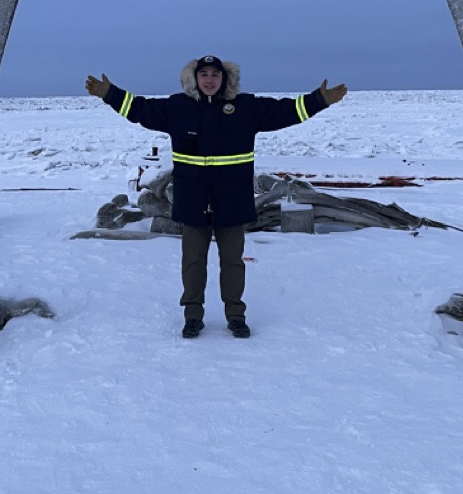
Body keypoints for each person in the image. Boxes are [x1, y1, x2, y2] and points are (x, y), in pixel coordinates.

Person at [85, 55, 347, 339]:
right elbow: (141, 110)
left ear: (225, 79)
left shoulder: (245, 108)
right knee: (193, 262)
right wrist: (109, 94)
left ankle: (236, 316)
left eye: (215, 75)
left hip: (231, 200)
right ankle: (193, 316)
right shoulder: (178, 107)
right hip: (192, 199)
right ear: (194, 79)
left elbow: (284, 112)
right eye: (204, 75)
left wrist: (319, 100)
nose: (209, 80)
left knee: (232, 262)